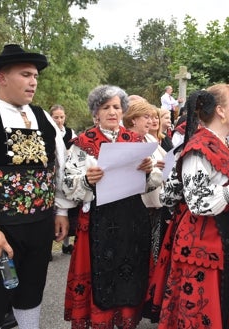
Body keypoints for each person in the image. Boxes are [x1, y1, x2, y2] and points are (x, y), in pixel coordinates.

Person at [145, 85, 229, 329]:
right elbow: (198, 201)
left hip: (220, 240)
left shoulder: (220, 143)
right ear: (221, 111)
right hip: (202, 246)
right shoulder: (200, 148)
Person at [0, 44, 69, 329]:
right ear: (2, 77)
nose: (33, 81)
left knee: (31, 295)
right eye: (25, 74)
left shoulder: (43, 117)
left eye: (36, 76)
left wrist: (61, 208)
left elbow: (58, 166)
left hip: (39, 227)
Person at [63, 85, 159, 328]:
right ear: (96, 113)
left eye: (117, 107)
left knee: (129, 275)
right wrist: (86, 179)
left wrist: (148, 172)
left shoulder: (137, 141)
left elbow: (155, 180)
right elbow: (66, 183)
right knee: (101, 279)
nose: (112, 112)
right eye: (106, 107)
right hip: (97, 221)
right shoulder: (82, 144)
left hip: (131, 220)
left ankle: (126, 320)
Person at [123, 101, 166, 263]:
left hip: (155, 204)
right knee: (139, 253)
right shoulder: (126, 140)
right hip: (139, 206)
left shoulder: (148, 138)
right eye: (146, 117)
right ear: (133, 120)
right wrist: (156, 169)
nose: (150, 121)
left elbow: (162, 158)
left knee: (153, 251)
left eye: (152, 117)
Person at [49, 104, 78, 256]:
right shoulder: (48, 131)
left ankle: (66, 244)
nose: (59, 120)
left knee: (68, 211)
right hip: (52, 173)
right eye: (56, 117)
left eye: (62, 117)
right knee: (52, 211)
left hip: (66, 171)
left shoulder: (69, 132)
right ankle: (48, 247)